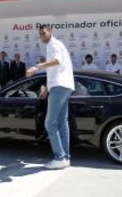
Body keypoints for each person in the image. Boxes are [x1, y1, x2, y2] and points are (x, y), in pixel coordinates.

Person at [27, 24, 75, 170]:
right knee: (62, 122)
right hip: (64, 86)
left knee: (49, 123)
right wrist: (47, 89)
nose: (42, 36)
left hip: (60, 86)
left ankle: (59, 157)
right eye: (40, 34)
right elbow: (54, 70)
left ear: (50, 32)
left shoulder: (54, 44)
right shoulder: (54, 45)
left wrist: (36, 66)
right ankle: (65, 157)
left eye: (44, 33)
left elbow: (57, 61)